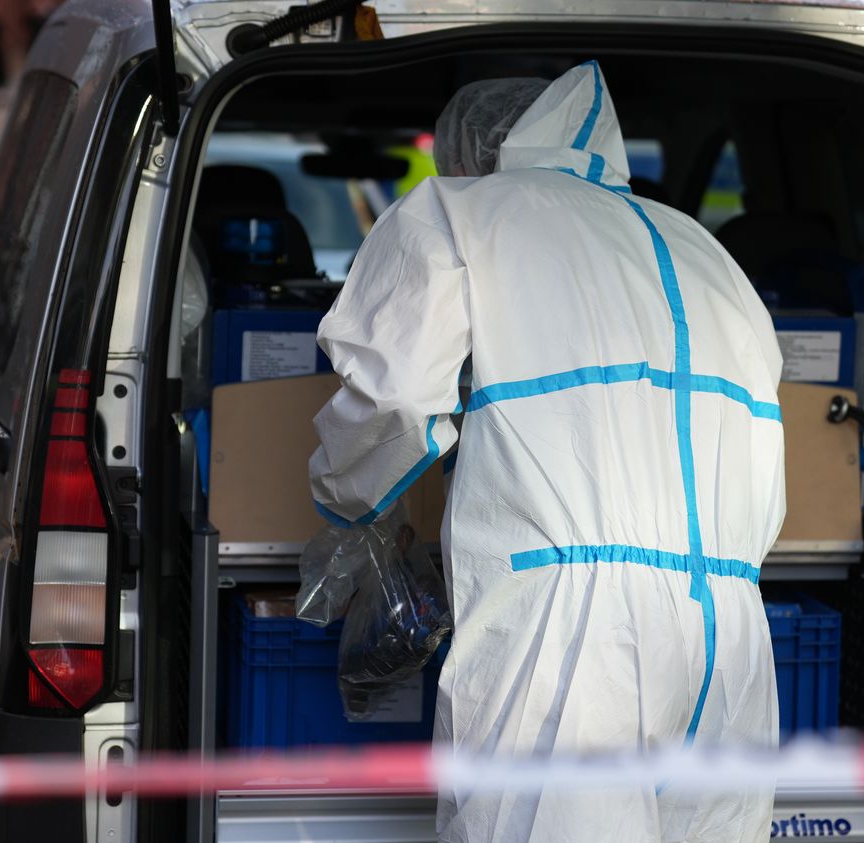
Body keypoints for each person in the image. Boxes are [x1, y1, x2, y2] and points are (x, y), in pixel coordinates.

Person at [309, 62, 784, 842]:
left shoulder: (461, 214)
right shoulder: (706, 251)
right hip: (729, 635)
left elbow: (391, 403)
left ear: (468, 156)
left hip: (573, 643)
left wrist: (340, 495)